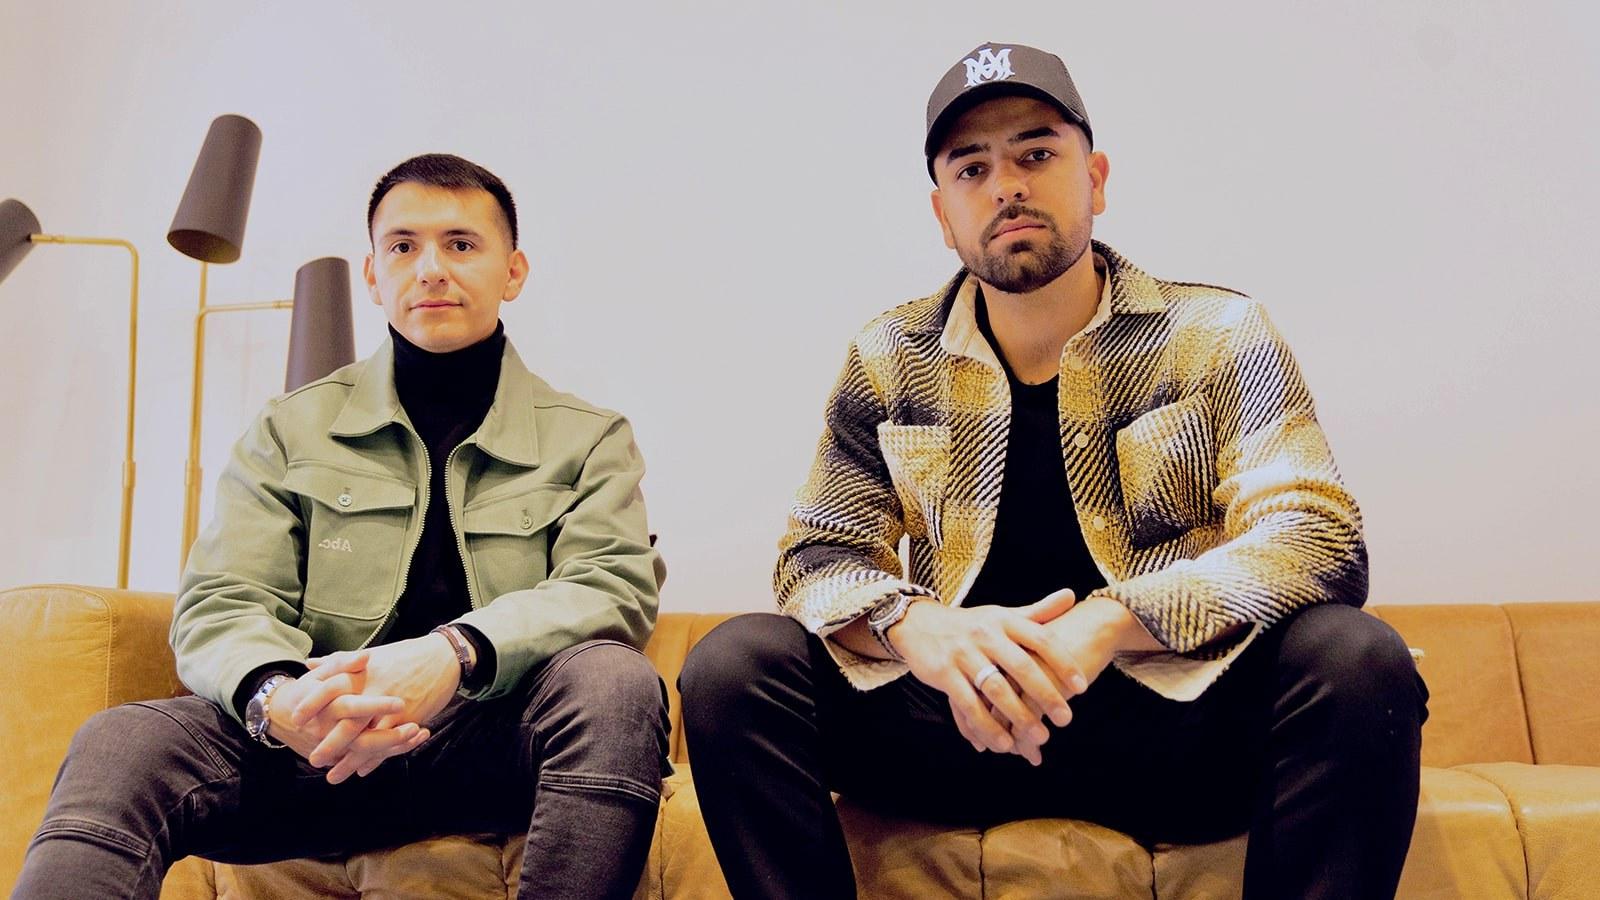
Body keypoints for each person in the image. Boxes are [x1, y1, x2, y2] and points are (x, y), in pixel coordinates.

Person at [679, 43, 1428, 899]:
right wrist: (922, 629)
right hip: (957, 727)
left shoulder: (1216, 332)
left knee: (1357, 658)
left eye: (1037, 154)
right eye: (973, 168)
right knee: (734, 666)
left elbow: (1318, 540)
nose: (1007, 186)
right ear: (943, 212)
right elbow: (815, 556)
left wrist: (1110, 621)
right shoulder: (889, 356)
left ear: (1096, 178)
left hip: (1176, 724)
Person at [15, 154, 669, 900]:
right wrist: (276, 697)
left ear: (512, 271)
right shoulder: (289, 429)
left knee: (616, 682)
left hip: (492, 748)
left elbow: (611, 586)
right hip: (313, 746)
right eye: (402, 246)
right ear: (372, 273)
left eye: (461, 244)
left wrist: (453, 653)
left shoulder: (588, 437)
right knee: (121, 739)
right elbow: (221, 602)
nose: (430, 269)